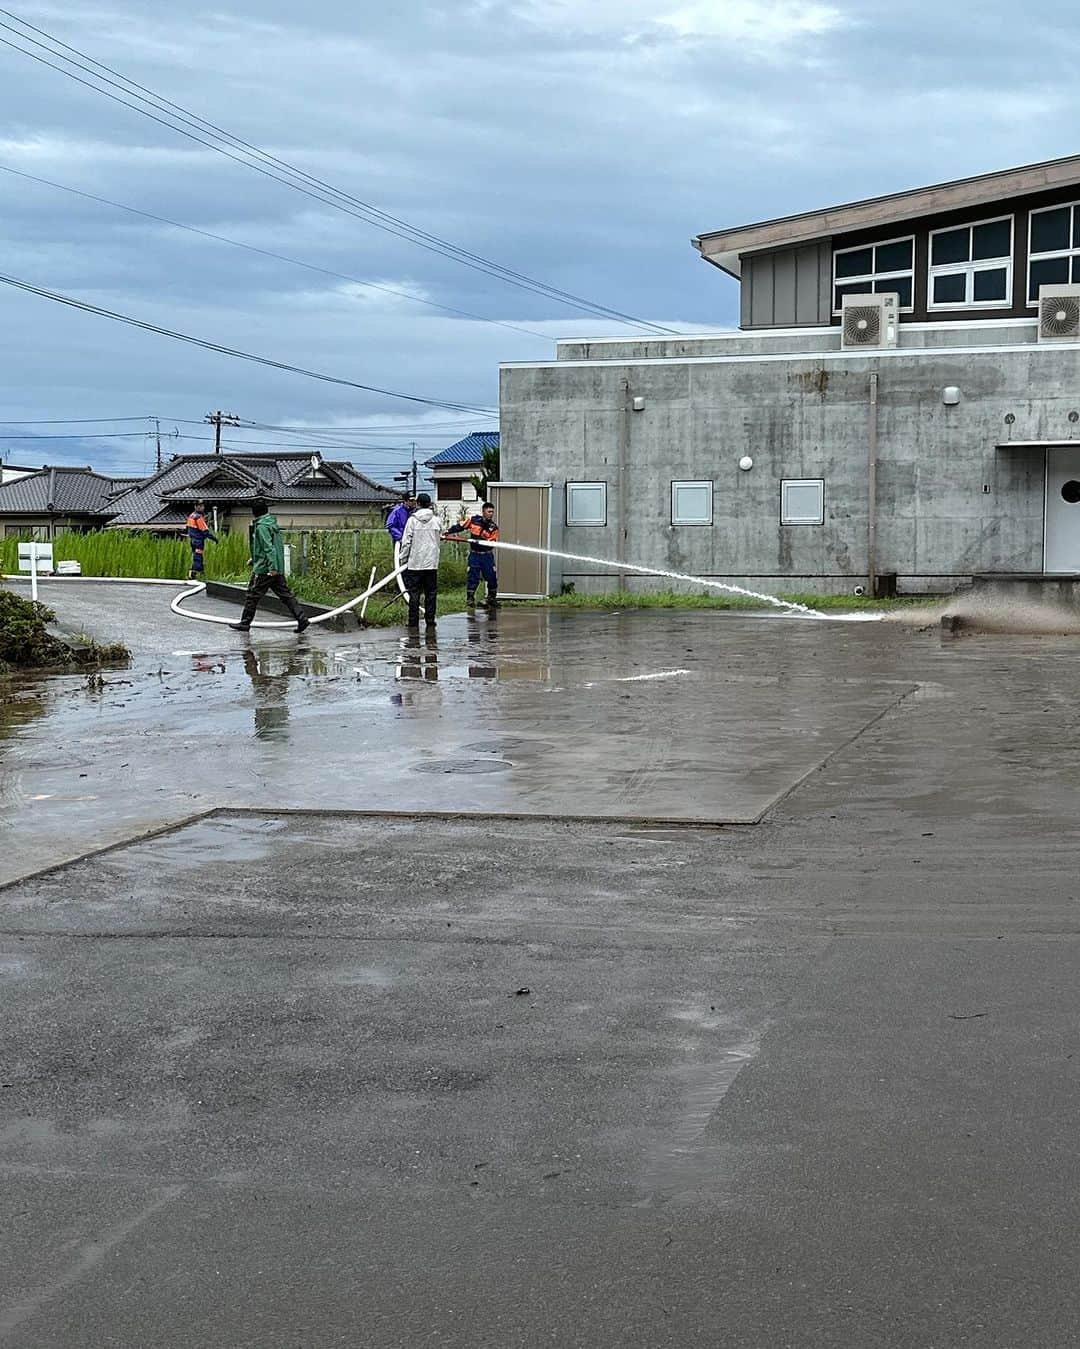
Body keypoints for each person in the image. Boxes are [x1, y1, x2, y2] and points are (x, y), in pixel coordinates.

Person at [229, 497, 309, 633]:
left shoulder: (261, 527)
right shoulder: (271, 523)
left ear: (254, 512)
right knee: (285, 594)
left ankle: (245, 623)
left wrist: (271, 567)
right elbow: (269, 547)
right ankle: (302, 619)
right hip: (275, 566)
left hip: (265, 569)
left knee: (252, 595)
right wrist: (256, 559)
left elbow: (268, 548)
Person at [398, 491, 442, 629]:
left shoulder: (412, 521)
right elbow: (440, 538)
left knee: (414, 593)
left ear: (417, 504)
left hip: (415, 563)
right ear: (429, 504)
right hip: (431, 563)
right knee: (431, 593)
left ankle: (413, 621)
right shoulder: (436, 521)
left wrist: (402, 559)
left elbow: (406, 542)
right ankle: (430, 620)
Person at [447, 501, 499, 611]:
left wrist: (481, 540)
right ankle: (470, 599)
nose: (491, 514)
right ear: (483, 511)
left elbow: (492, 542)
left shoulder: (493, 527)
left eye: (492, 512)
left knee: (491, 577)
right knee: (472, 576)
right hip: (475, 555)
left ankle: (491, 598)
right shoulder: (474, 520)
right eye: (489, 511)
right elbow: (460, 526)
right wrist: (448, 532)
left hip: (486, 556)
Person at [185, 500, 218, 580]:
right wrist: (215, 539)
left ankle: (202, 574)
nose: (202, 507)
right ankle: (193, 574)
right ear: (196, 507)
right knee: (198, 557)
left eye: (202, 506)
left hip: (192, 540)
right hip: (198, 541)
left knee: (197, 556)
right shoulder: (199, 517)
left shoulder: (191, 516)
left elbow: (188, 528)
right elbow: (205, 531)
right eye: (200, 506)